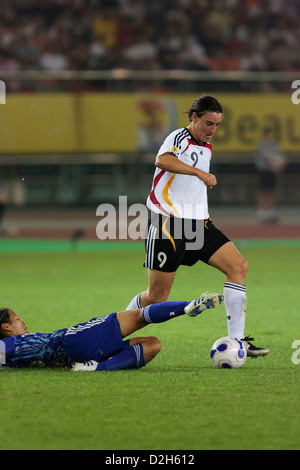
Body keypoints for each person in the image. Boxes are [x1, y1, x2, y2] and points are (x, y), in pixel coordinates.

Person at [126, 95, 269, 358]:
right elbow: (162, 160)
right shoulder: (179, 137)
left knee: (239, 267)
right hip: (168, 223)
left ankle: (238, 342)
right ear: (194, 117)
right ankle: (115, 332)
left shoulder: (206, 147)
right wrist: (199, 173)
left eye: (217, 125)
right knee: (157, 297)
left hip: (198, 224)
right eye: (208, 123)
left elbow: (189, 191)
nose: (213, 130)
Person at [0, 292, 223, 371]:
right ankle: (186, 307)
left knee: (152, 344)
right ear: (5, 327)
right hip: (73, 340)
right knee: (138, 315)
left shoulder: (11, 358)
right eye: (18, 319)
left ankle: (95, 368)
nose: (24, 323)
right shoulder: (9, 345)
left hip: (72, 357)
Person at [255, 127, 286, 223]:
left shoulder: (273, 145)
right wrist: (275, 162)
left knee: (271, 191)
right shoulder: (261, 145)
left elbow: (280, 157)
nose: (268, 136)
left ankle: (270, 211)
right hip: (264, 171)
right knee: (264, 191)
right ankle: (261, 212)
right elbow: (266, 158)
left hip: (272, 171)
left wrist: (281, 163)